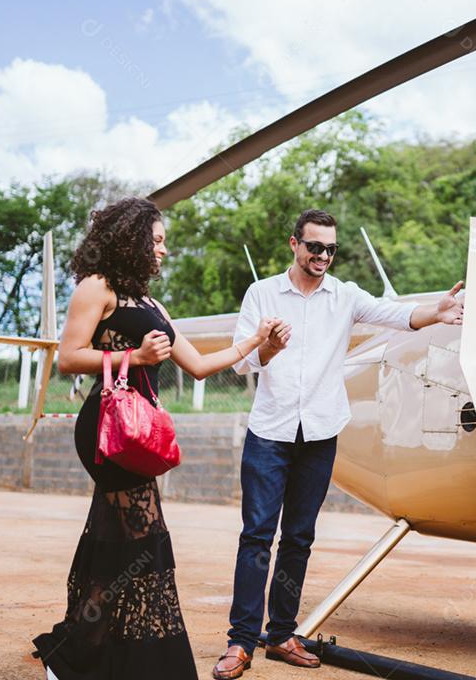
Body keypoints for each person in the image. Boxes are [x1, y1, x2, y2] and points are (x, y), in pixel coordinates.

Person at [33, 197, 288, 680]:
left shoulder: (151, 303)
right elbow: (68, 357)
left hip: (139, 431)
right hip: (110, 427)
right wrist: (136, 357)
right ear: (130, 240)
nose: (164, 249)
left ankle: (78, 652)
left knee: (122, 542)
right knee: (140, 544)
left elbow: (199, 366)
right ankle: (80, 661)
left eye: (164, 241)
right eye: (156, 240)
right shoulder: (97, 287)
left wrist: (258, 344)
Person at [211, 209, 464, 679]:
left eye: (330, 248)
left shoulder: (344, 296)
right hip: (271, 433)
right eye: (314, 247)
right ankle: (240, 641)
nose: (323, 256)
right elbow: (243, 364)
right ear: (294, 244)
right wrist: (268, 347)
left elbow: (397, 314)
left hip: (320, 433)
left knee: (300, 538)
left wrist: (438, 312)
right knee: (257, 537)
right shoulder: (261, 294)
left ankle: (281, 633)